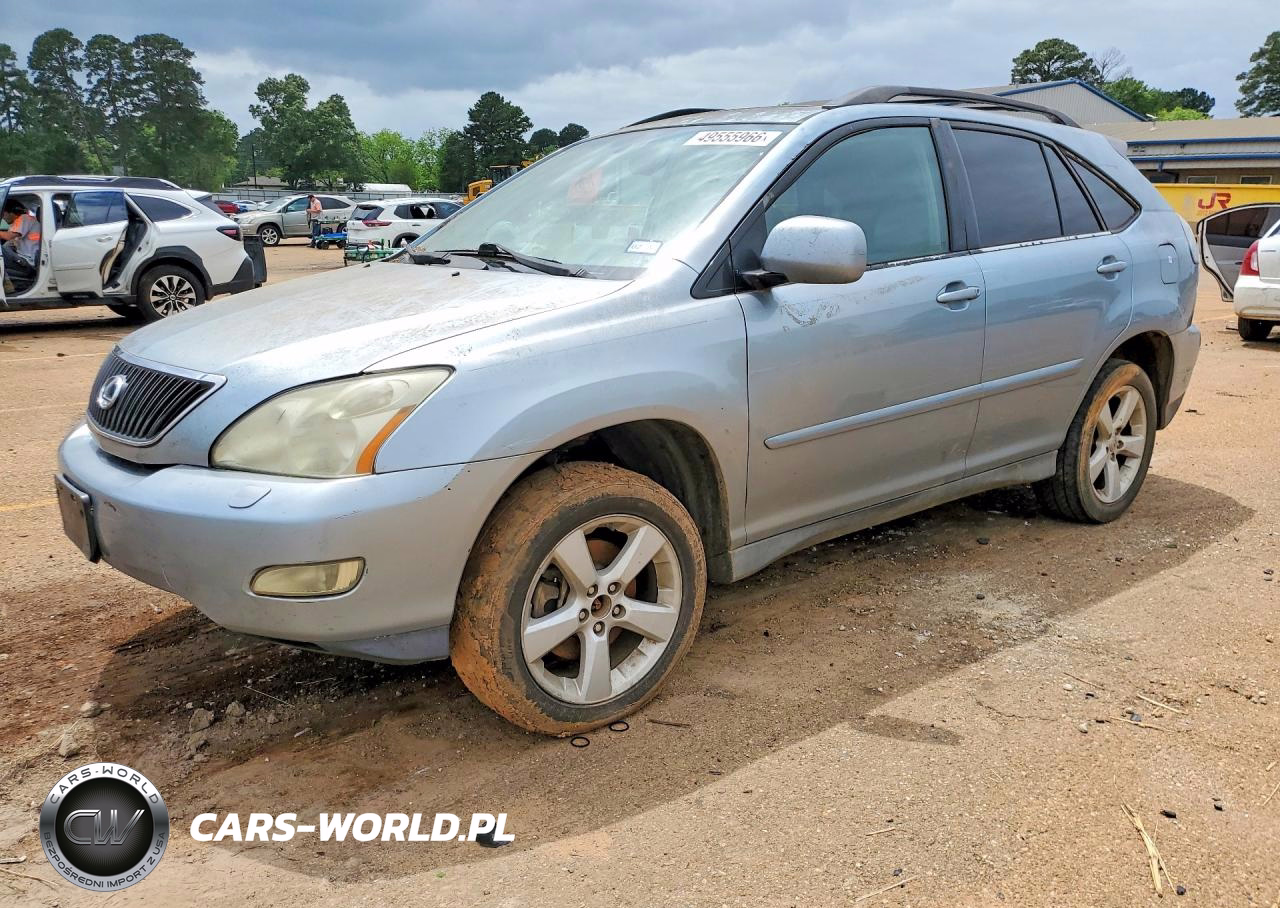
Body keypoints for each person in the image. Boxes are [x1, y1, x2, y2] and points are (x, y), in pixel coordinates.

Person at [0, 198, 41, 292]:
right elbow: (10, 242)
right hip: (23, 259)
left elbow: (9, 236)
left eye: (3, 214)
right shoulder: (18, 223)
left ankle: (7, 286)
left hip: (28, 263)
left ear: (11, 212)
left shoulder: (25, 218)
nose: (2, 218)